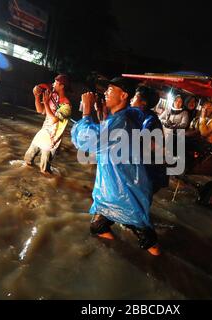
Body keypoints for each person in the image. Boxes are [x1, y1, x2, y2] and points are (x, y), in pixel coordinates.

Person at [71, 77, 161, 256]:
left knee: (147, 239)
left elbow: (88, 140)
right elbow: (106, 135)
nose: (105, 93)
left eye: (110, 90)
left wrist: (86, 112)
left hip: (125, 195)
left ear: (124, 95)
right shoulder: (121, 117)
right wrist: (99, 112)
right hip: (112, 191)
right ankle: (114, 253)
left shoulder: (123, 121)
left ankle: (161, 266)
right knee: (97, 227)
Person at [24, 74, 72, 174]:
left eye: (56, 82)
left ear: (62, 86)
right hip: (43, 133)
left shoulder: (67, 106)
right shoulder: (53, 96)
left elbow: (53, 120)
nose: (53, 84)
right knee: (27, 160)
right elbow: (40, 110)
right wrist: (37, 96)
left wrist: (46, 103)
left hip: (52, 139)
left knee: (44, 170)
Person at [130, 86, 168, 194]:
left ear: (143, 103)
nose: (131, 99)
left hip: (151, 172)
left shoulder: (150, 120)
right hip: (144, 170)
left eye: (135, 97)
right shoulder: (140, 116)